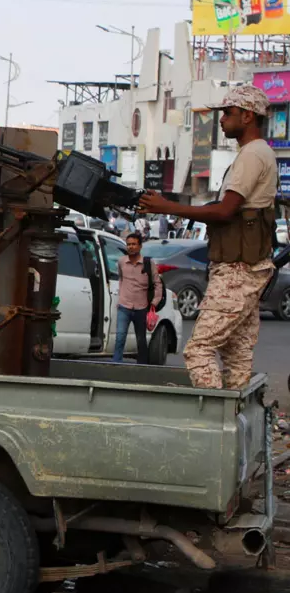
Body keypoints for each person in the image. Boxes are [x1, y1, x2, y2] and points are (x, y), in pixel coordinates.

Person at [140, 84, 278, 390]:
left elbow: (225, 211)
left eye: (228, 113)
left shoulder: (253, 155)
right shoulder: (256, 153)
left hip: (237, 271)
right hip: (248, 268)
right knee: (237, 357)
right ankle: (232, 425)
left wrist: (166, 206)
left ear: (247, 116)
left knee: (199, 350)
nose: (221, 119)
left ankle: (215, 418)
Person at [112, 232, 162, 364]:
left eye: (134, 244)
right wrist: (120, 297)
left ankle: (142, 367)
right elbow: (121, 279)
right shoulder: (122, 262)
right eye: (128, 244)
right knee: (120, 337)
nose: (131, 247)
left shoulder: (148, 264)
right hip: (124, 306)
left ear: (140, 246)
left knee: (141, 340)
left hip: (141, 308)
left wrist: (154, 302)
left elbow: (157, 284)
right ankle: (116, 365)